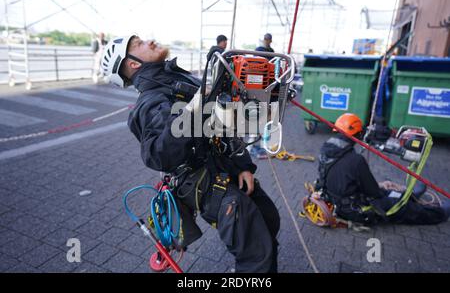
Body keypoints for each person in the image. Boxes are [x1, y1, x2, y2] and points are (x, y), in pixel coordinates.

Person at [101, 35, 280, 273]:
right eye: (139, 44)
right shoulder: (151, 103)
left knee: (269, 219)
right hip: (206, 184)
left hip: (228, 168)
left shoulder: (176, 80)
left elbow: (220, 123)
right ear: (132, 63)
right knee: (256, 255)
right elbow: (159, 153)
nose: (150, 40)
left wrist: (243, 163)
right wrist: (192, 113)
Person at [317, 113, 450, 226]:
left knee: (389, 192)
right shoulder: (355, 160)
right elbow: (373, 192)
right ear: (357, 134)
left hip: (338, 201)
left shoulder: (326, 149)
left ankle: (409, 196)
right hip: (354, 210)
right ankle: (440, 214)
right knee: (402, 207)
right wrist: (390, 195)